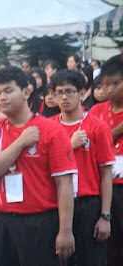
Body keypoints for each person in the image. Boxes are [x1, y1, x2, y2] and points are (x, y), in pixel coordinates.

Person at [0, 66, 77, 266]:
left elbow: (64, 185)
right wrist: (21, 142)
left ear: (26, 92)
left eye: (8, 91)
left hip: (40, 222)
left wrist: (65, 230)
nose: (2, 97)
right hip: (2, 221)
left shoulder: (51, 130)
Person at [52, 69, 114, 266]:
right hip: (56, 203)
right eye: (59, 92)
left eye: (69, 91)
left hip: (88, 204)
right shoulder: (49, 127)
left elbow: (105, 174)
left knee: (92, 259)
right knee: (60, 259)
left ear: (82, 93)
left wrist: (105, 215)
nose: (64, 97)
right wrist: (69, 145)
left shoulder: (97, 127)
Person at [88, 57, 123, 266]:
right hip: (105, 189)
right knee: (110, 248)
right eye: (104, 85)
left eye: (116, 83)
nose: (109, 89)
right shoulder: (96, 112)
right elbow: (94, 145)